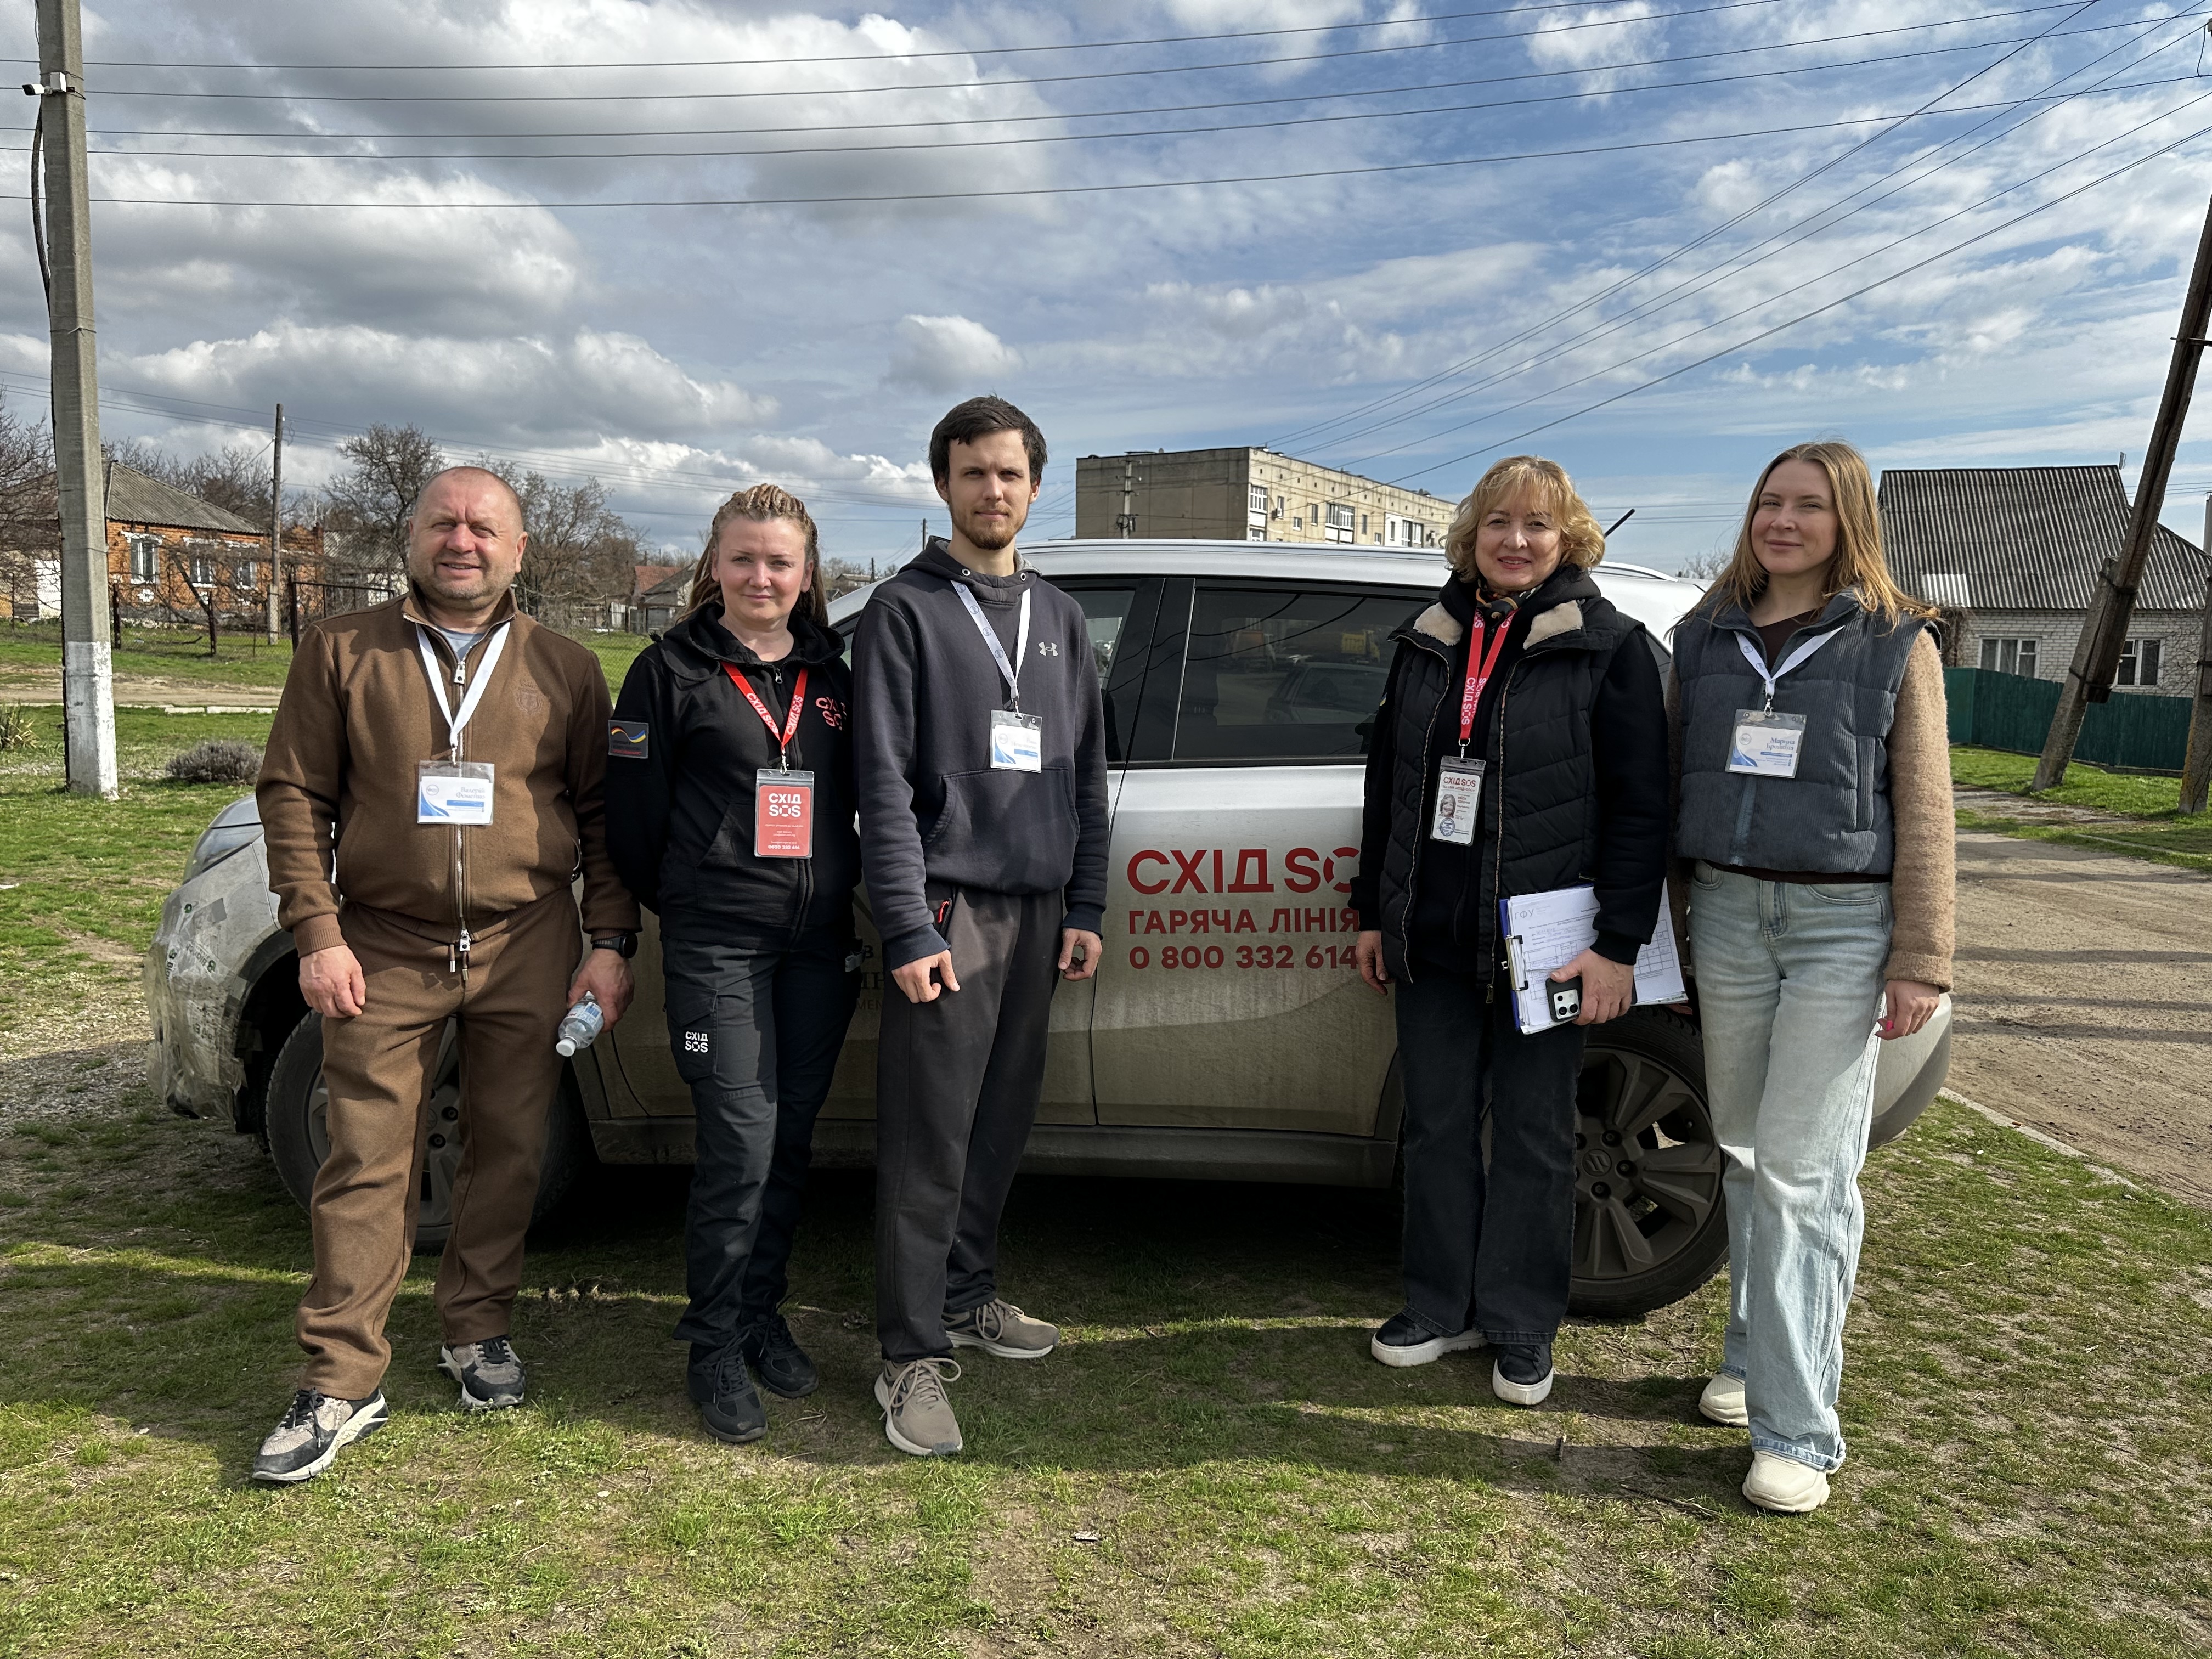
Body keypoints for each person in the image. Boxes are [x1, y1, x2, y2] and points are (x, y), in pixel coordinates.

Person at [251, 467, 638, 1485]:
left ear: (520, 551)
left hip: (528, 942)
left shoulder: (566, 665)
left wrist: (607, 940)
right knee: (367, 1158)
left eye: (485, 527)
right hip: (383, 942)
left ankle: (476, 1329)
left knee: (508, 1147)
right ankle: (341, 1378)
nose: (462, 541)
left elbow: (600, 821)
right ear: (411, 538)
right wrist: (317, 932)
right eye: (444, 523)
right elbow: (294, 796)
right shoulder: (342, 649)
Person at [1348, 455, 1669, 1408]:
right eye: (1499, 524)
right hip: (1435, 931)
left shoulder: (1608, 646)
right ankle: (1439, 1306)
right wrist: (1374, 911)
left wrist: (1616, 945)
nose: (1516, 541)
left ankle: (1524, 1325)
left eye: (1538, 526)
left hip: (1548, 941)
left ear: (1568, 538)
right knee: (1439, 1127)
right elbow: (1389, 788)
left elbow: (1640, 810)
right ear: (1471, 536)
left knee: (1536, 1136)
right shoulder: (1426, 638)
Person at [1670, 439, 1952, 1515]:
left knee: (1806, 1174)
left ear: (1850, 523)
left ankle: (1801, 1430)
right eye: (1770, 502)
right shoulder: (1705, 636)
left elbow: (1926, 809)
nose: (1783, 522)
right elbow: (1668, 783)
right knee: (1742, 1153)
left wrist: (1922, 959)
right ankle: (1750, 1362)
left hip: (1843, 927)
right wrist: (1670, 928)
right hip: (1731, 915)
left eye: (1810, 506)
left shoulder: (1895, 641)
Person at [852, 395, 1109, 1458]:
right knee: (929, 1143)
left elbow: (1087, 778)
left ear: (1035, 486)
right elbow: (881, 782)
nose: (992, 491)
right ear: (944, 486)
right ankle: (908, 1354)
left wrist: (1085, 902)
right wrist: (910, 929)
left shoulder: (1061, 617)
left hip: (1041, 911)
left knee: (999, 1130)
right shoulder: (901, 613)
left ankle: (968, 1295)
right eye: (972, 474)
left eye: (1009, 474)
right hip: (951, 912)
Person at [605, 484, 861, 1446]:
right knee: (741, 1140)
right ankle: (710, 1341)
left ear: (807, 575)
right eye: (744, 558)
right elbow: (630, 824)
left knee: (791, 1139)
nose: (762, 577)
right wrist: (699, 895)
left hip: (817, 944)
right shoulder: (665, 673)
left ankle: (761, 1315)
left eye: (781, 562)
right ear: (713, 565)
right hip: (720, 944)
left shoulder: (836, 674)